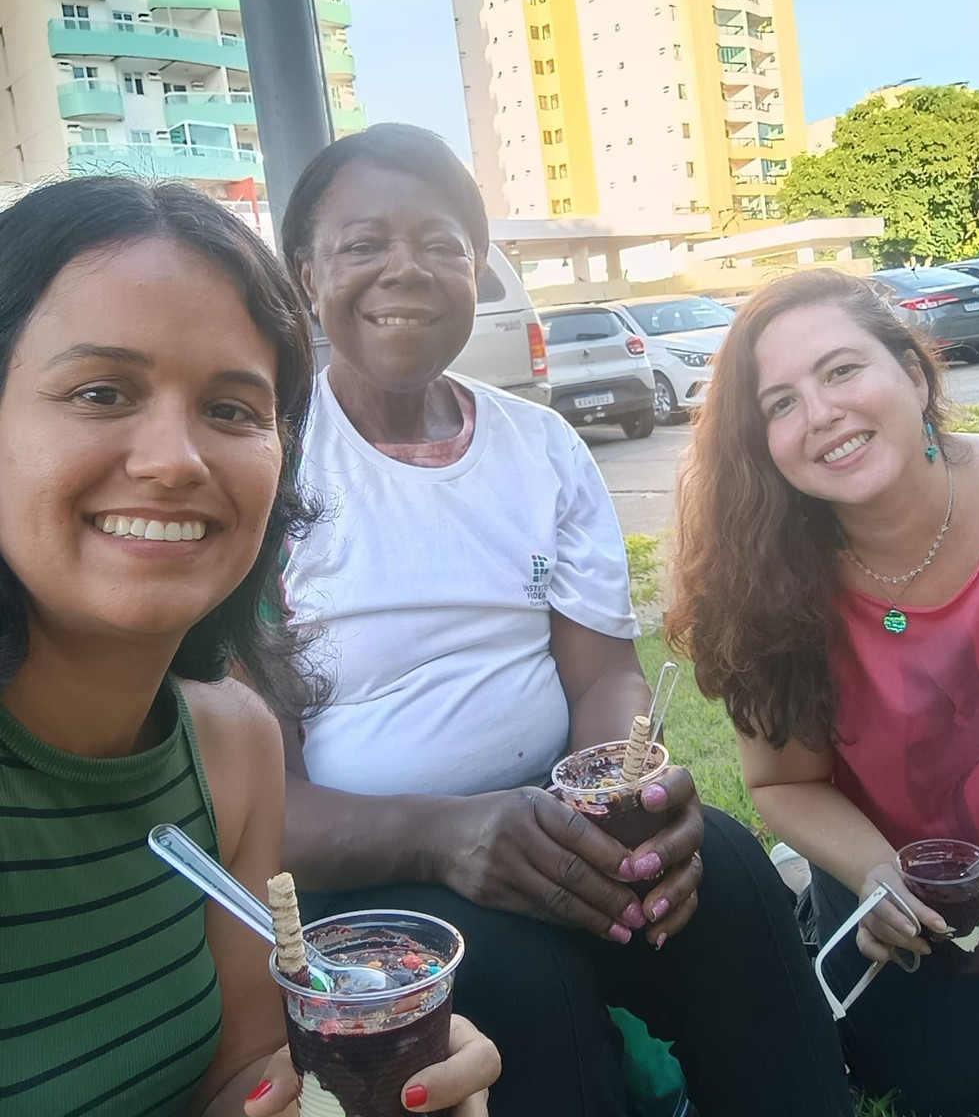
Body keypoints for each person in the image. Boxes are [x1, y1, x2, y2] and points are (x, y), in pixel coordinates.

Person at [276, 123, 855, 1117]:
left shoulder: (538, 446)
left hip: (550, 818)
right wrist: (444, 835)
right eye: (364, 242)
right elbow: (262, 799)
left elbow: (603, 675)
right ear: (305, 274)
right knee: (516, 978)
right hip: (373, 867)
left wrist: (608, 813)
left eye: (443, 244)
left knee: (734, 877)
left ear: (478, 270)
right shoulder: (274, 461)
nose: (405, 270)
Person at [0, 176, 499, 1117]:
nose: (176, 460)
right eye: (101, 392)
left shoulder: (231, 749)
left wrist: (356, 1097)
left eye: (232, 410)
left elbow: (241, 1076)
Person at [667, 267, 979, 1117]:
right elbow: (783, 780)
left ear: (912, 376)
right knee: (952, 1083)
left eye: (842, 370)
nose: (822, 415)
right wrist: (879, 875)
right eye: (781, 403)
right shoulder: (766, 582)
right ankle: (828, 916)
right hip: (908, 895)